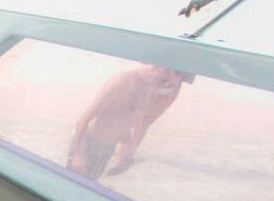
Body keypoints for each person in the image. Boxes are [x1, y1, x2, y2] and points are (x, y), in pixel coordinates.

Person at [66, 64, 194, 181]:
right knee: (73, 185)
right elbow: (84, 120)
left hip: (107, 148)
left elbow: (133, 123)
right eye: (164, 80)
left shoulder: (149, 88)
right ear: (157, 67)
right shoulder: (122, 82)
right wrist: (78, 154)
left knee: (90, 186)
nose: (166, 85)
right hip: (88, 143)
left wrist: (127, 152)